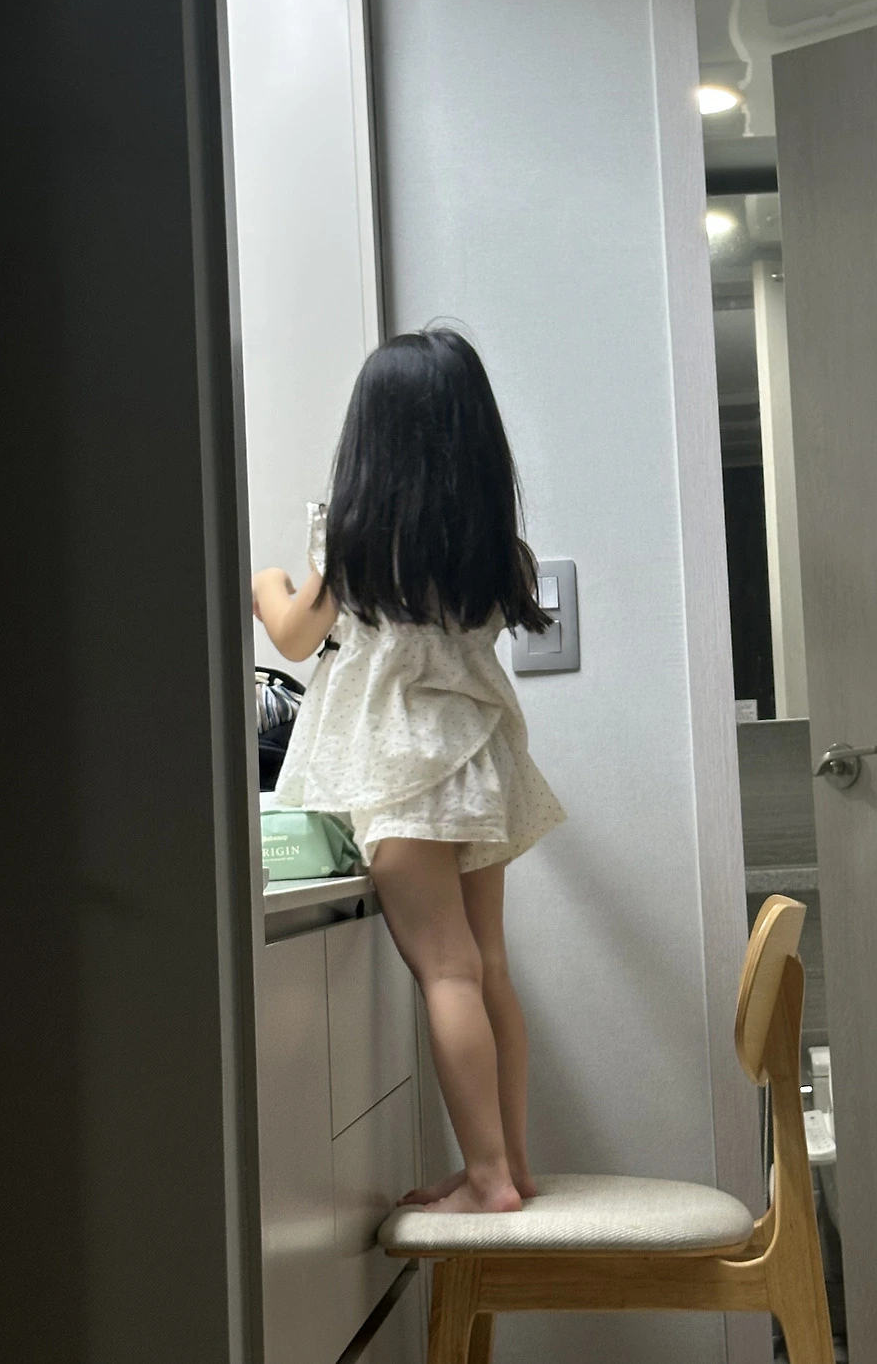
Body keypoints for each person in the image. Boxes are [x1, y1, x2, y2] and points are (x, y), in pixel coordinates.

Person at [252, 329, 565, 1215]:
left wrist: (266, 580)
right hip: (478, 767)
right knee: (487, 967)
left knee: (446, 974)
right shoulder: (491, 548)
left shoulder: (355, 542)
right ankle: (509, 1166)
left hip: (401, 773)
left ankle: (489, 1180)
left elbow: (294, 637)